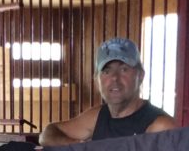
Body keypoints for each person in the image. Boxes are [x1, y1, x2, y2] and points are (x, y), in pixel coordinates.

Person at [38, 37, 176, 145]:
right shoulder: (97, 117)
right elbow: (47, 134)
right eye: (107, 71)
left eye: (124, 69)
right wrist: (76, 146)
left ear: (140, 76)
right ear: (96, 80)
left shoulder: (160, 127)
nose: (115, 78)